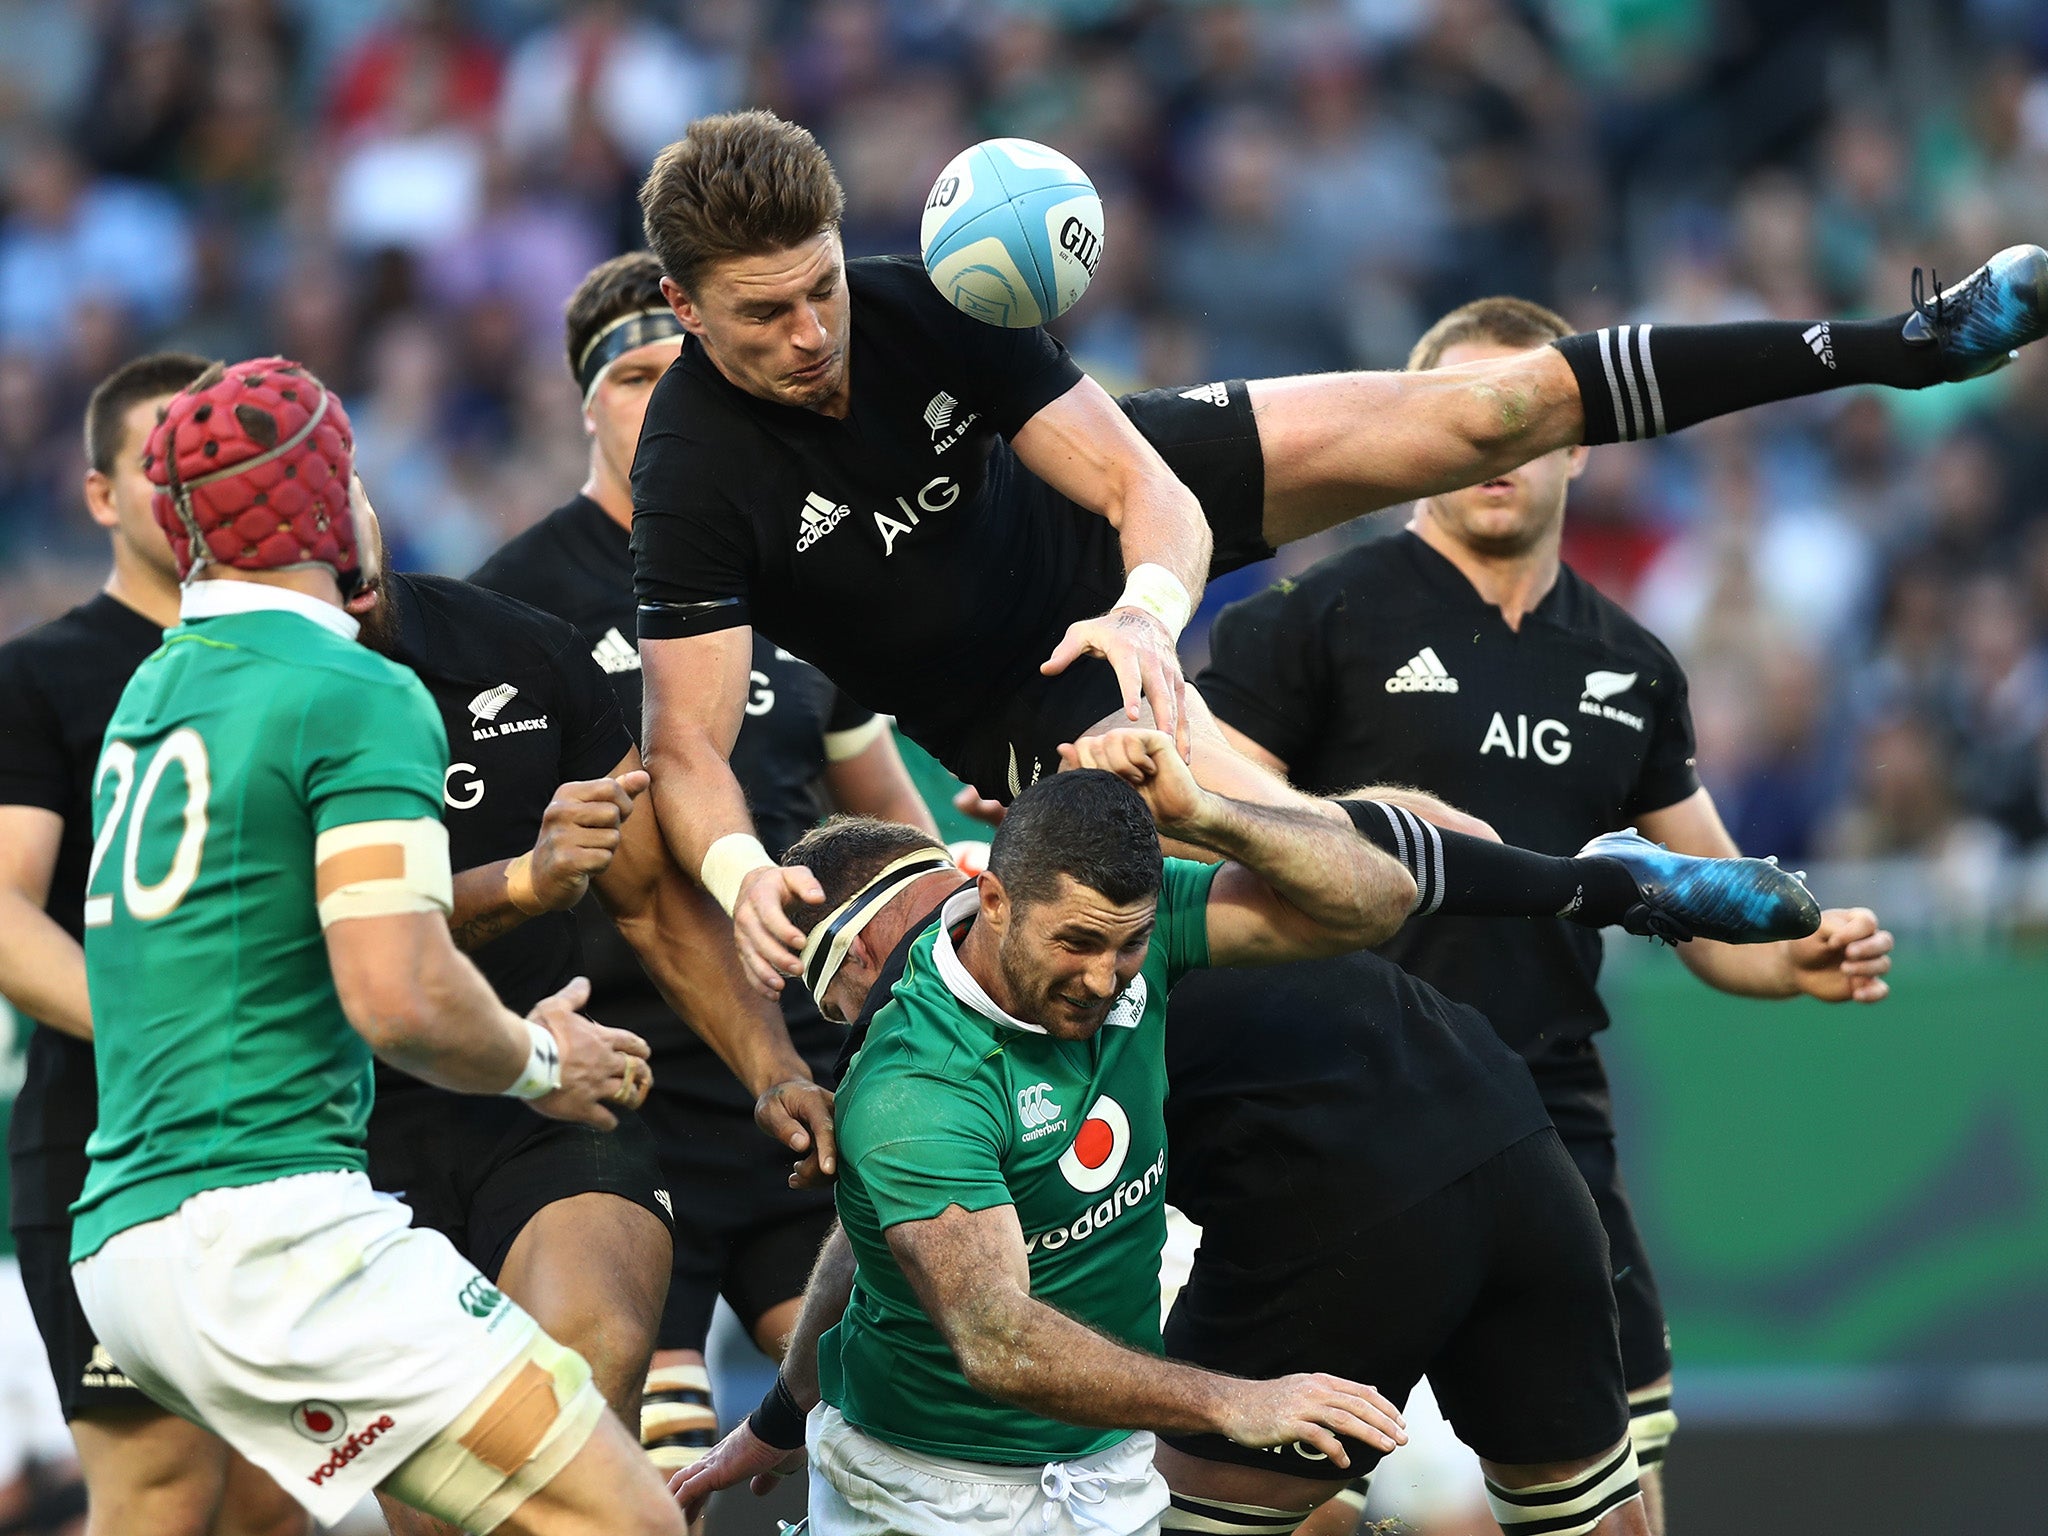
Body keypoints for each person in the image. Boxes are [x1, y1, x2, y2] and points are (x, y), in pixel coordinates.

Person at [622, 109, 2042, 994]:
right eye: (764, 317)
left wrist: (1149, 607)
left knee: (1494, 403)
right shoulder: (692, 473)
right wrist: (746, 879)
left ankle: (1904, 347)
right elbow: (687, 749)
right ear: (685, 309)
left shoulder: (920, 302)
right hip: (1030, 700)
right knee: (1351, 878)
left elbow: (1142, 488)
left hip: (1108, 556)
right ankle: (1623, 887)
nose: (812, 336)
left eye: (820, 288)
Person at [669, 749, 1827, 1536]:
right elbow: (1408, 855)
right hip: (1505, 1125)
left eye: (837, 1002)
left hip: (1341, 1205)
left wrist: (1215, 806)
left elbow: (1376, 883)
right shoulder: (933, 1068)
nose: (1101, 976)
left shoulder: (1104, 911)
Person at [1197, 297, 1900, 1535]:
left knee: (1616, 1509)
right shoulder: (1311, 620)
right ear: (1407, 441)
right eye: (1460, 425)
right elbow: (1195, 816)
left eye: (1523, 421)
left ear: (1579, 439)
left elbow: (1709, 905)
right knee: (1288, 1504)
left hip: (1548, 1124)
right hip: (1339, 1114)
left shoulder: (1631, 662)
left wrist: (1799, 956)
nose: (1493, 449)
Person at [65, 355, 684, 1536]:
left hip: (130, 1250)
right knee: (627, 1522)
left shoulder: (152, 694)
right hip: (275, 1235)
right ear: (328, 504)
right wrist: (542, 1060)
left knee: (488, 1523)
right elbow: (397, 994)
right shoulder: (351, 689)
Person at [469, 250, 937, 1480]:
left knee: (866, 1423)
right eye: (633, 377)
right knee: (644, 1462)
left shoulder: (786, 576)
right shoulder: (503, 609)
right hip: (619, 1092)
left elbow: (888, 824)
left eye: (685, 374)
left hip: (796, 1085)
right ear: (582, 403)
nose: (663, 400)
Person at [342, 490, 831, 1535]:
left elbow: (652, 902)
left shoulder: (521, 647)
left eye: (344, 498)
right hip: (334, 1136)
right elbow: (333, 949)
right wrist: (519, 881)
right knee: (448, 1506)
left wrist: (774, 1069)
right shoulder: (217, 701)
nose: (336, 535)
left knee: (584, 1370)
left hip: (541, 1106)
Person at [0, 350, 309, 1536]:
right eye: (159, 465)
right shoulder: (41, 676)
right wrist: (166, 1031)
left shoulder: (316, 658)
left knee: (285, 1504)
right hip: (106, 1143)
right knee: (160, 1496)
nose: (192, 488)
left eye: (221, 463)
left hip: (302, 1140)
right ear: (96, 496)